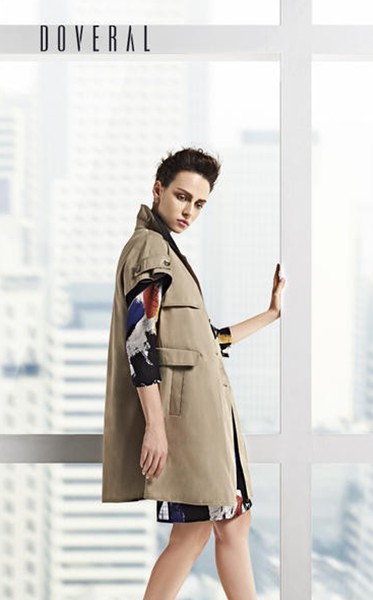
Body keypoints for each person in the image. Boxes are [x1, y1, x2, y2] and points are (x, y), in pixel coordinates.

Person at [102, 147, 286, 600]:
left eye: (199, 204)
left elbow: (208, 340)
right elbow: (139, 339)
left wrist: (270, 314)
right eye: (182, 197)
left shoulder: (166, 251)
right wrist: (155, 427)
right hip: (186, 425)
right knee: (197, 532)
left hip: (208, 421)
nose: (189, 211)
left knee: (229, 523)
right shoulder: (150, 249)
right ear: (158, 190)